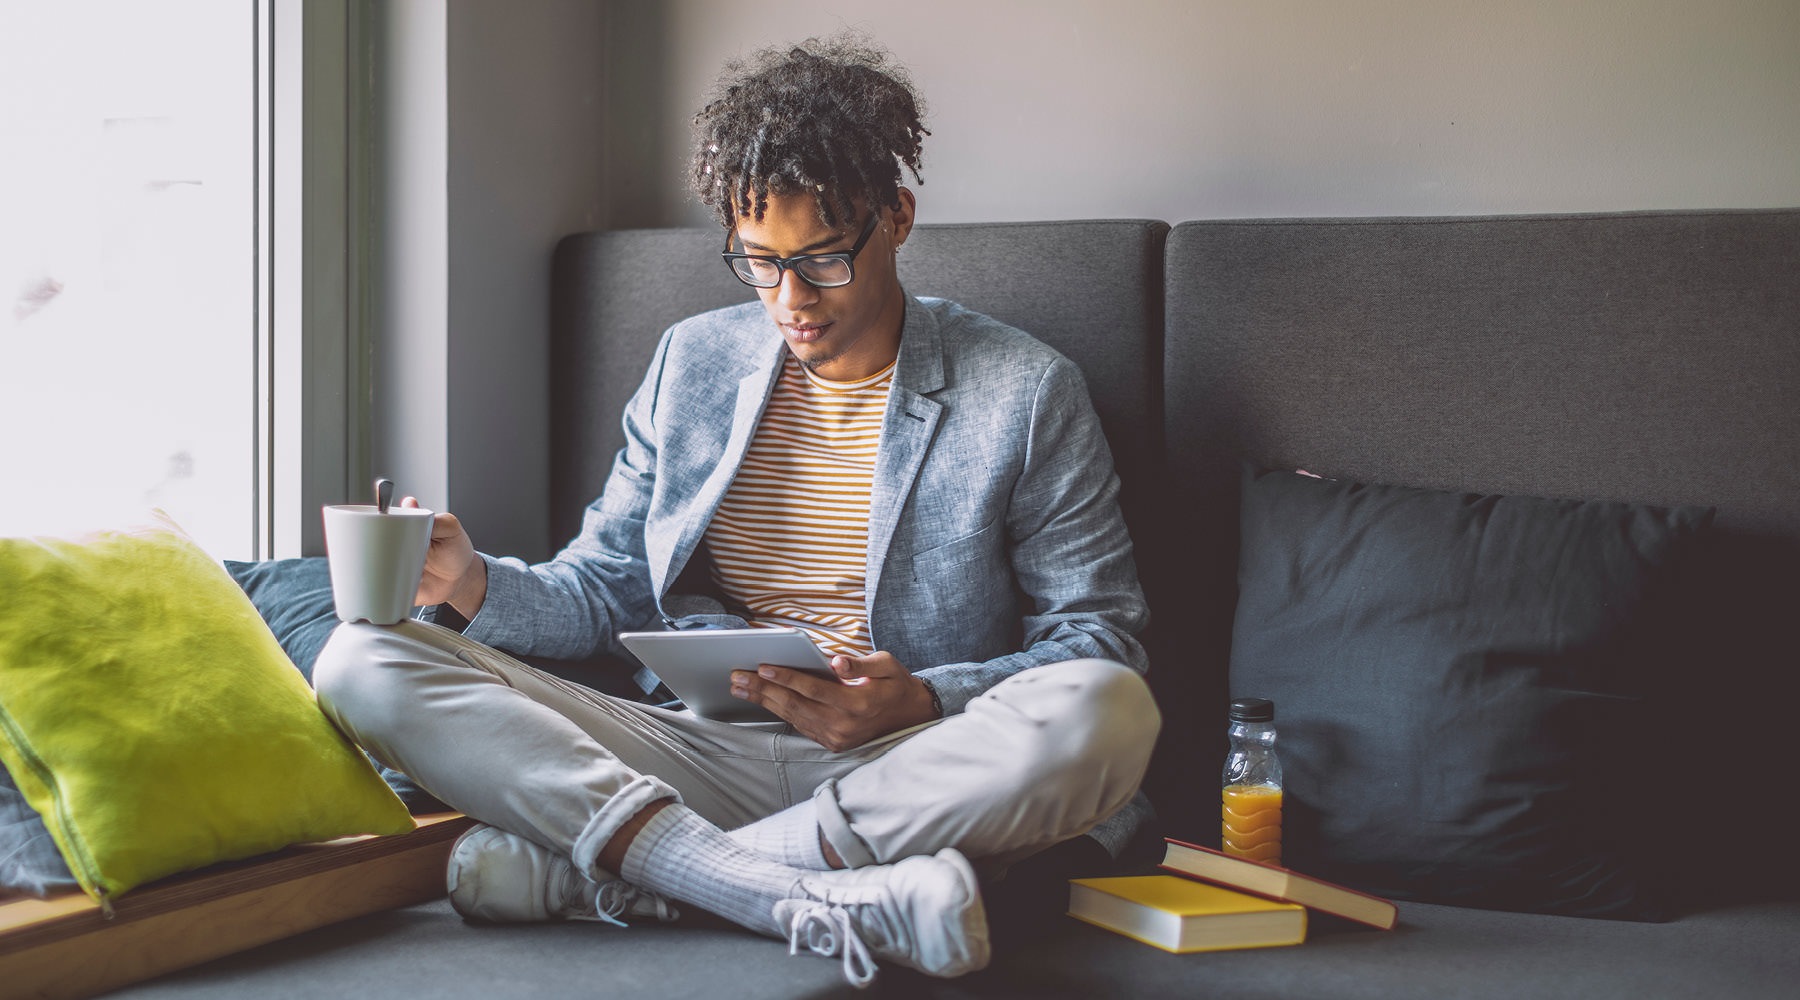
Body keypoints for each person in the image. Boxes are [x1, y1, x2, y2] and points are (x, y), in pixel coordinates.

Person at [312, 34, 1158, 987]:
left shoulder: (1025, 392)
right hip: (696, 749)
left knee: (1109, 710)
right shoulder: (692, 365)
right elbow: (605, 588)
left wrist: (920, 696)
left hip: (910, 761)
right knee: (362, 656)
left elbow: (1099, 640)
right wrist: (471, 585)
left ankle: (644, 877)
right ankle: (796, 888)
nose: (791, 300)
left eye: (825, 261)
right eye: (759, 262)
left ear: (899, 219)